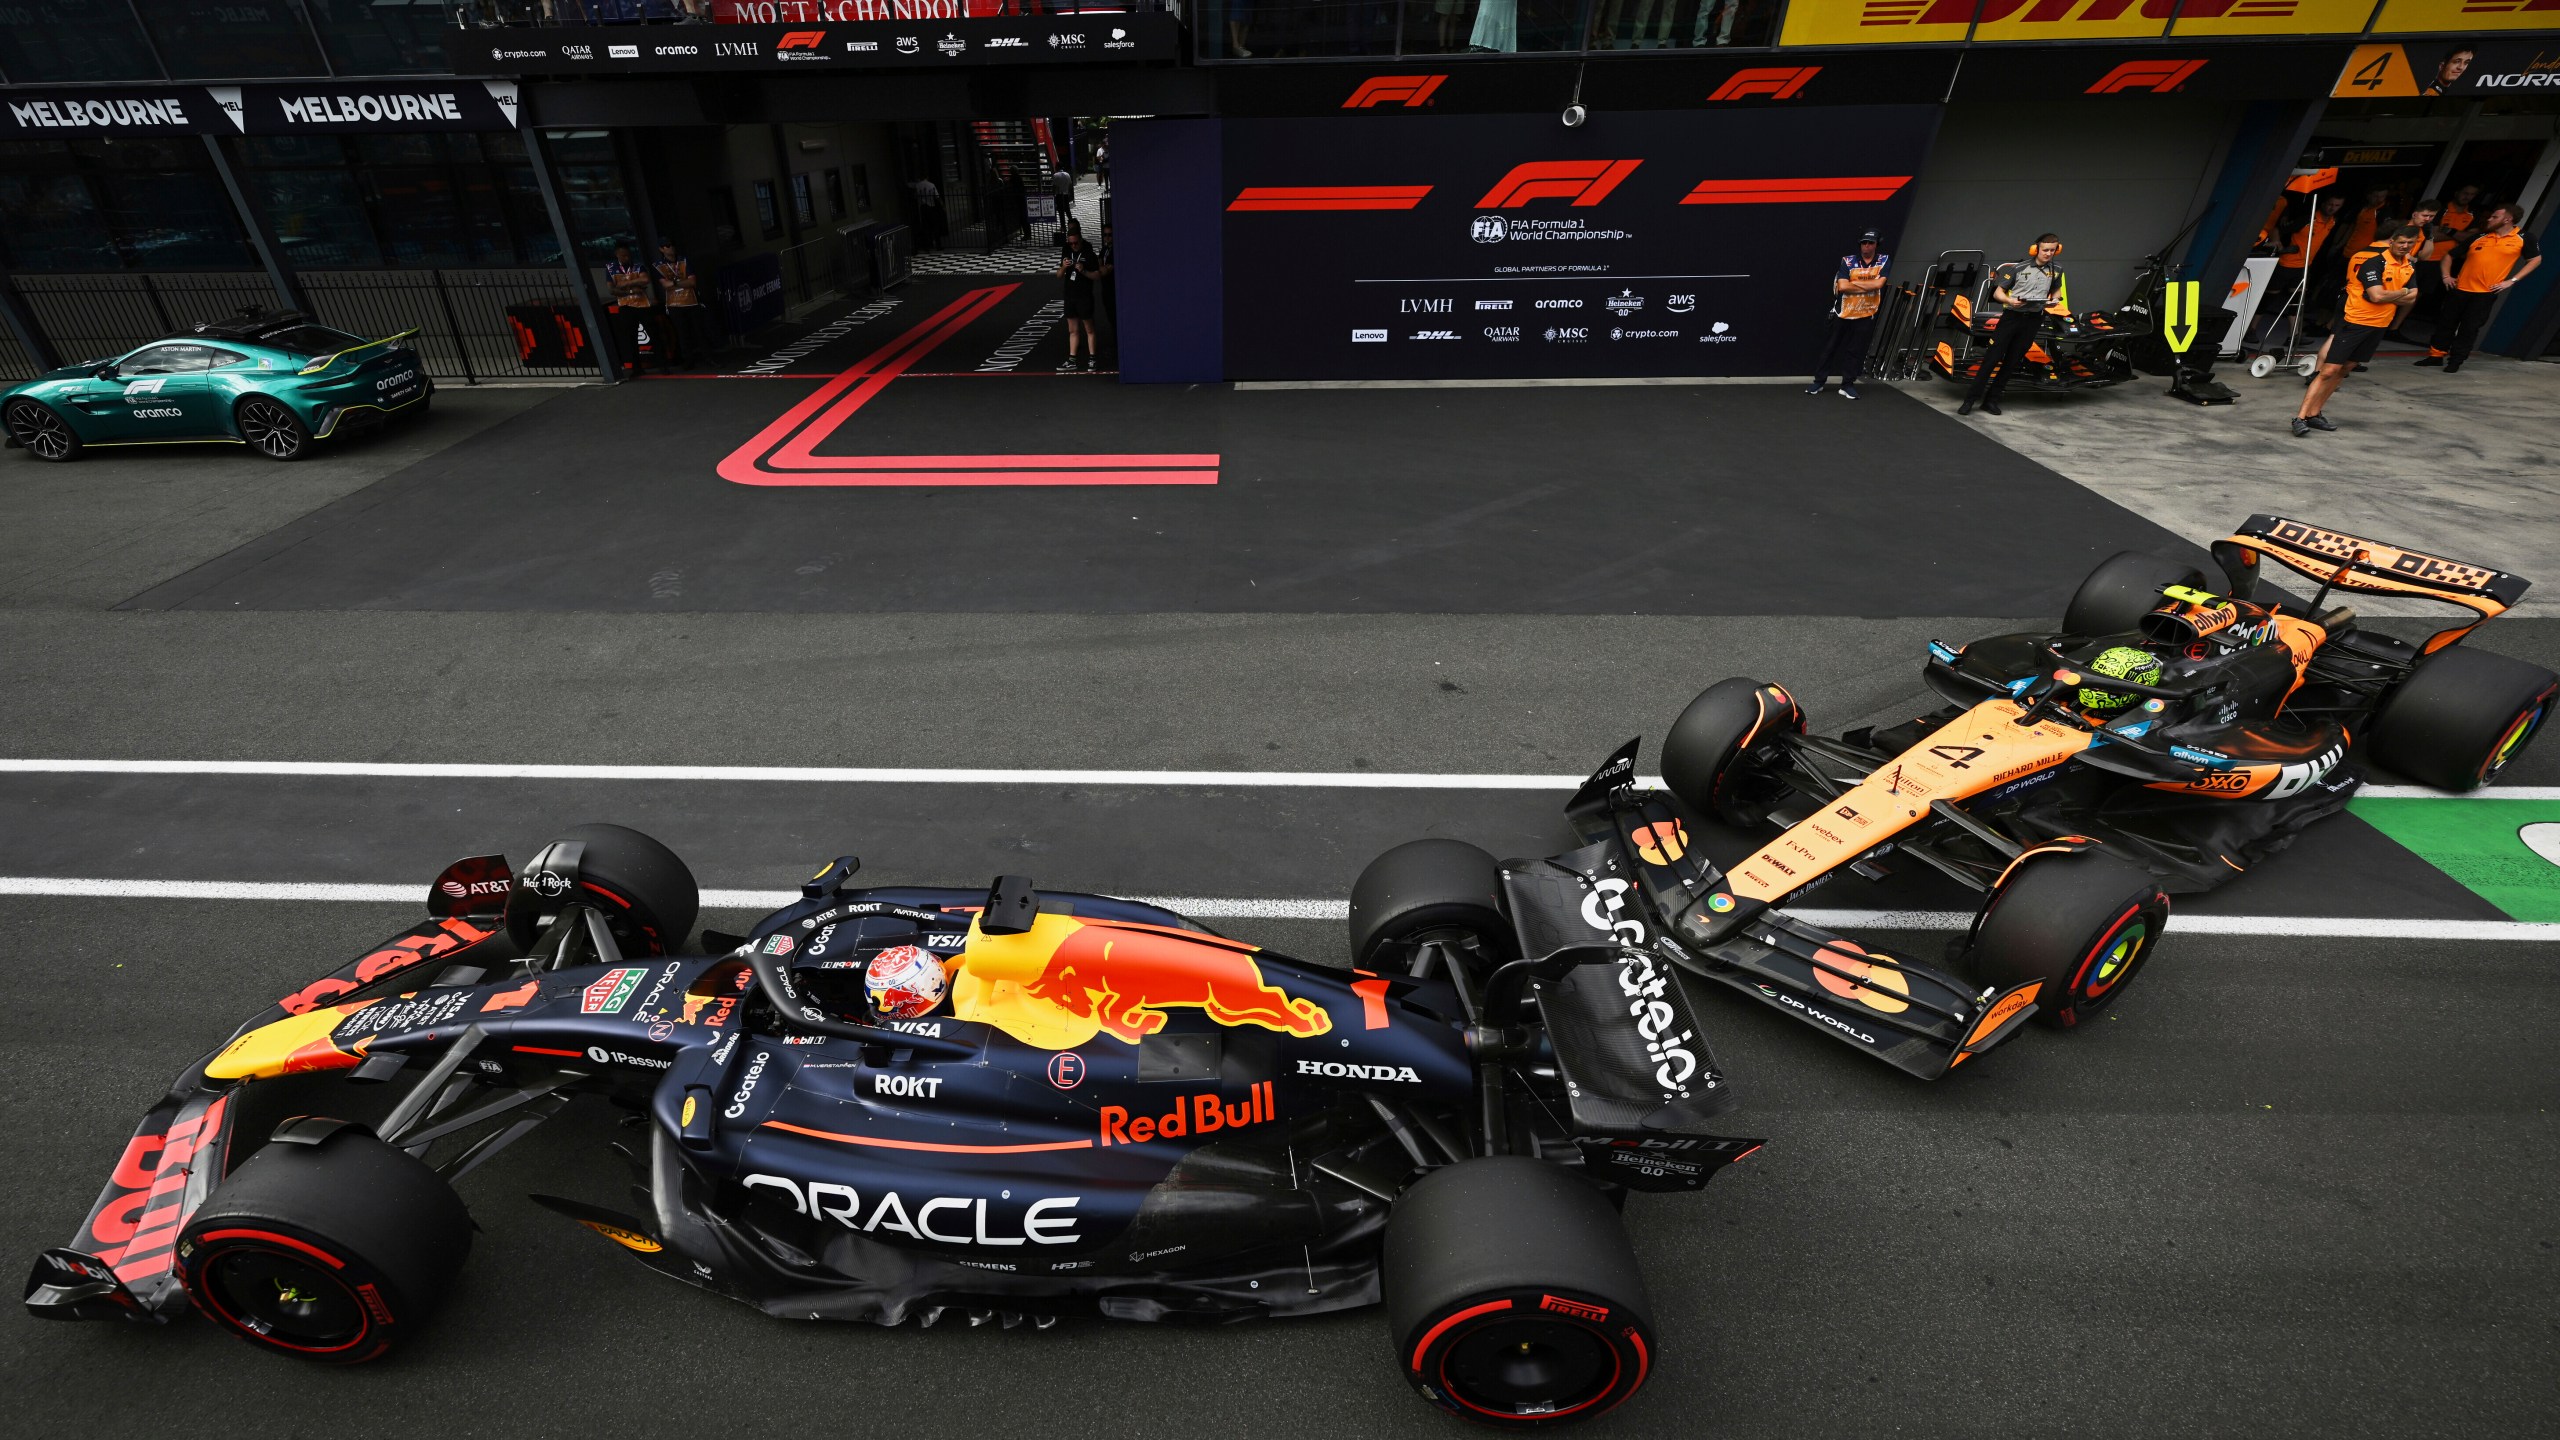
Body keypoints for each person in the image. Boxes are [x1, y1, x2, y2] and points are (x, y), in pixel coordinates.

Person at [2295, 226, 2419, 437]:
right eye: (2401, 242)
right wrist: (2402, 293)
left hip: (2379, 325)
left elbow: (2413, 297)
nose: (2405, 246)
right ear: (2391, 242)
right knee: (2329, 371)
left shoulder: (2409, 266)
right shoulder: (2373, 263)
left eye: (2410, 243)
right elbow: (2376, 296)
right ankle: (2299, 418)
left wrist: (2395, 294)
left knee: (2345, 369)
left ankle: (2314, 414)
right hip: (2355, 322)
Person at [2419, 202, 2541, 373]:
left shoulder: (2524, 237)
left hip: (2484, 293)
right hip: (2460, 288)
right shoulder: (2480, 236)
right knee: (2446, 323)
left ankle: (2456, 361)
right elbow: (2449, 255)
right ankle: (2435, 356)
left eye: (2494, 217)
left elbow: (2535, 260)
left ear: (2507, 219)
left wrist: (2511, 280)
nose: (2489, 219)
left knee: (2469, 328)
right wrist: (2446, 276)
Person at [1958, 233, 2065, 417]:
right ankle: (1970, 400)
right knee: (1991, 359)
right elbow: (1997, 293)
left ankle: (1991, 400)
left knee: (2012, 362)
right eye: (2045, 250)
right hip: (2011, 318)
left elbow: (2056, 290)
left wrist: (2055, 300)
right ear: (2035, 249)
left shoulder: (2057, 269)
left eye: (2052, 250)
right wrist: (2009, 300)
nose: (2048, 254)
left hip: (2033, 320)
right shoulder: (2018, 268)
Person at [1807, 229, 1889, 400]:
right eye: (1864, 243)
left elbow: (1879, 285)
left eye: (1871, 243)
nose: (1867, 246)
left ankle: (1847, 385)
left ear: (1876, 244)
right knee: (1830, 348)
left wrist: (1856, 284)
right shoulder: (1848, 261)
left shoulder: (1884, 260)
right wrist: (1869, 285)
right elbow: (1843, 286)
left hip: (1865, 313)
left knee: (1854, 350)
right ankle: (1819, 382)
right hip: (1843, 312)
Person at [653, 239, 711, 372]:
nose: (671, 247)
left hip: (691, 301)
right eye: (667, 246)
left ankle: (708, 357)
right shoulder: (658, 265)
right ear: (661, 249)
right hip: (675, 304)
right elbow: (665, 285)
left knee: (700, 331)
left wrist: (674, 282)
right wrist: (681, 282)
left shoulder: (684, 260)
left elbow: (692, 282)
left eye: (672, 244)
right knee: (682, 333)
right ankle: (688, 360)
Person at [604, 242, 658, 379]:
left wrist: (625, 284)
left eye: (628, 255)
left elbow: (645, 279)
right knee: (630, 338)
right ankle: (637, 368)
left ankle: (663, 364)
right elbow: (612, 289)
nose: (627, 258)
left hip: (642, 305)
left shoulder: (638, 266)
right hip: (626, 306)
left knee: (654, 334)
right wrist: (632, 290)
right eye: (623, 255)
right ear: (617, 255)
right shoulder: (611, 268)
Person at [1058, 230, 1102, 372]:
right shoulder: (1067, 253)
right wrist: (1064, 266)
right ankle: (1072, 359)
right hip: (1070, 296)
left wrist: (1084, 271)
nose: (1073, 246)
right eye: (1070, 243)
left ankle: (1092, 358)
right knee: (1072, 330)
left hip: (1084, 296)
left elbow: (1097, 275)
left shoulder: (1089, 255)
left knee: (1089, 329)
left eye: (1076, 243)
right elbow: (1058, 275)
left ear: (1081, 240)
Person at [911, 175, 944, 250]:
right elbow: (937, 197)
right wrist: (942, 205)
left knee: (926, 227)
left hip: (923, 207)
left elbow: (915, 196)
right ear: (927, 177)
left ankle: (928, 245)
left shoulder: (918, 185)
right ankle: (938, 245)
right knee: (935, 226)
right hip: (931, 206)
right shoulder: (931, 185)